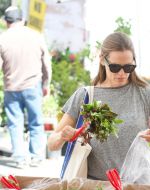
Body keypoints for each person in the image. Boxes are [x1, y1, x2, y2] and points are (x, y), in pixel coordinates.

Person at [48, 32, 150, 180]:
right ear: (102, 60)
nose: (122, 73)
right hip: (95, 189)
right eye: (115, 67)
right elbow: (51, 144)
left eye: (128, 67)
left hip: (136, 188)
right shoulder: (85, 96)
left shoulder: (144, 94)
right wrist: (62, 136)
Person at [0, 6, 51, 168]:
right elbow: (46, 64)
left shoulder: (2, 38)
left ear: (6, 22)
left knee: (15, 124)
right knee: (36, 122)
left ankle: (20, 158)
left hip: (11, 88)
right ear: (22, 20)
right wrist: (46, 83)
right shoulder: (36, 36)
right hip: (33, 86)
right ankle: (36, 157)